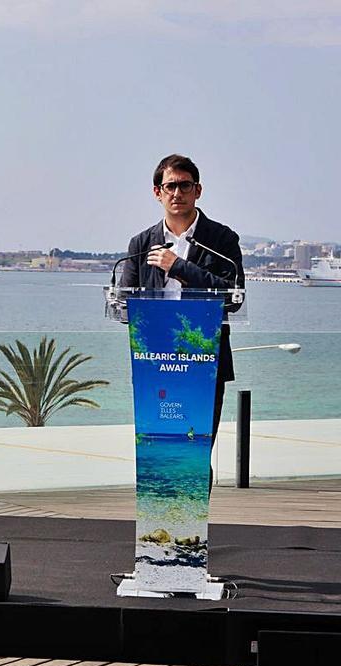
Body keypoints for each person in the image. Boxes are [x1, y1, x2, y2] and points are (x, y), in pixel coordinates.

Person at [119, 154, 244, 479]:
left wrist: (178, 267)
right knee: (159, 453)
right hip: (154, 361)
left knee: (195, 453)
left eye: (184, 186)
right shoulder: (141, 244)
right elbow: (123, 303)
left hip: (205, 361)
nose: (177, 193)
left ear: (198, 190)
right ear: (157, 192)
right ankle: (160, 529)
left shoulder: (222, 240)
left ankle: (193, 531)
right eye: (170, 186)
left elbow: (233, 296)